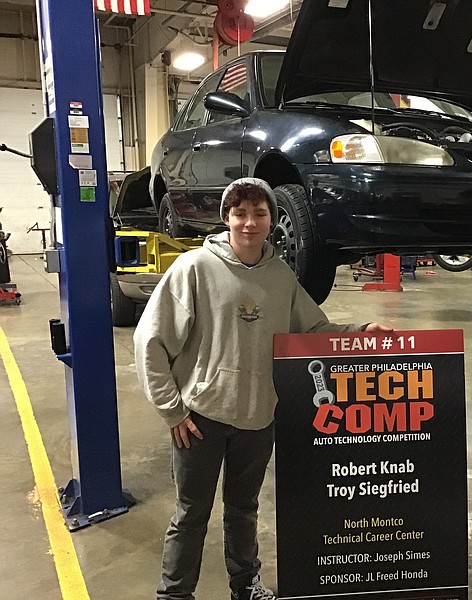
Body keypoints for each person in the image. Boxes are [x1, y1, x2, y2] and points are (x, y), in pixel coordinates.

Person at [134, 178, 392, 600]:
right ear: (226, 218)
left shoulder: (280, 275)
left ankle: (245, 585)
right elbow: (151, 340)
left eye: (259, 213)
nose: (249, 223)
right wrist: (172, 410)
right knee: (190, 514)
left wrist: (361, 331)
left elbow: (313, 330)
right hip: (200, 418)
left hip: (258, 418)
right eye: (240, 213)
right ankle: (175, 593)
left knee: (243, 510)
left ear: (272, 219)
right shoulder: (194, 268)